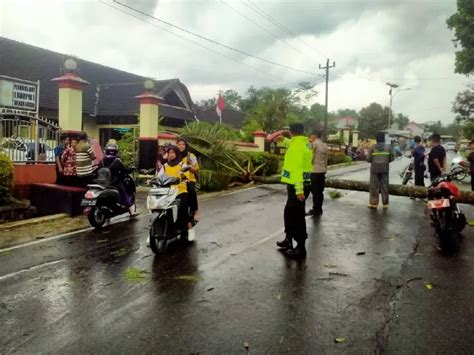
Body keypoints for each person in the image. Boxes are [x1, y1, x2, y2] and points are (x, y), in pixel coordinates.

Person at [276, 123, 313, 259]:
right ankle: (288, 239)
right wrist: (283, 140)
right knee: (289, 212)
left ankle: (301, 247)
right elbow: (293, 145)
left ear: (291, 132)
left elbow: (296, 169)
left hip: (298, 185)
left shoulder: (297, 146)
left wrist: (298, 190)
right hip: (304, 182)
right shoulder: (305, 142)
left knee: (296, 216)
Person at [156, 145, 192, 234]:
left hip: (180, 191)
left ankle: (183, 227)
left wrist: (182, 174)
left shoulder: (182, 165)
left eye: (173, 152)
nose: (171, 155)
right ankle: (164, 226)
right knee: (160, 207)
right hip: (167, 192)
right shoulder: (165, 166)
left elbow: (186, 178)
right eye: (169, 153)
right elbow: (159, 177)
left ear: (177, 153)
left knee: (182, 207)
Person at [99, 143, 137, 216]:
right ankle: (132, 211)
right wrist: (131, 169)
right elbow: (125, 170)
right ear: (116, 151)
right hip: (114, 183)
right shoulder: (117, 161)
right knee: (124, 193)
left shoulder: (102, 161)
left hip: (102, 183)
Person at [367, 132, 394, 209]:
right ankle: (385, 204)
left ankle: (373, 203)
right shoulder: (388, 147)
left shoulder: (372, 147)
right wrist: (386, 161)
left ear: (376, 139)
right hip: (385, 168)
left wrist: (373, 161)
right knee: (385, 186)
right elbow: (392, 158)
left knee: (374, 186)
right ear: (384, 138)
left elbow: (368, 159)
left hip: (374, 168)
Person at [177, 138, 200, 221]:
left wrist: (189, 167)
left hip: (190, 179)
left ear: (185, 146)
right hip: (178, 179)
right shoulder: (174, 155)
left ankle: (195, 210)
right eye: (179, 144)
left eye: (183, 144)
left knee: (191, 190)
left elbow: (196, 169)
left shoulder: (191, 156)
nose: (181, 146)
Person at [306, 129, 328, 217]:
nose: (310, 137)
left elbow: (308, 155)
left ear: (314, 135)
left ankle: (315, 209)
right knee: (320, 192)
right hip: (322, 171)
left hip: (313, 171)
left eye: (311, 135)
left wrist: (308, 143)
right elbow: (326, 160)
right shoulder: (324, 145)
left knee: (314, 192)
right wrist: (325, 169)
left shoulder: (313, 144)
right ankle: (319, 209)